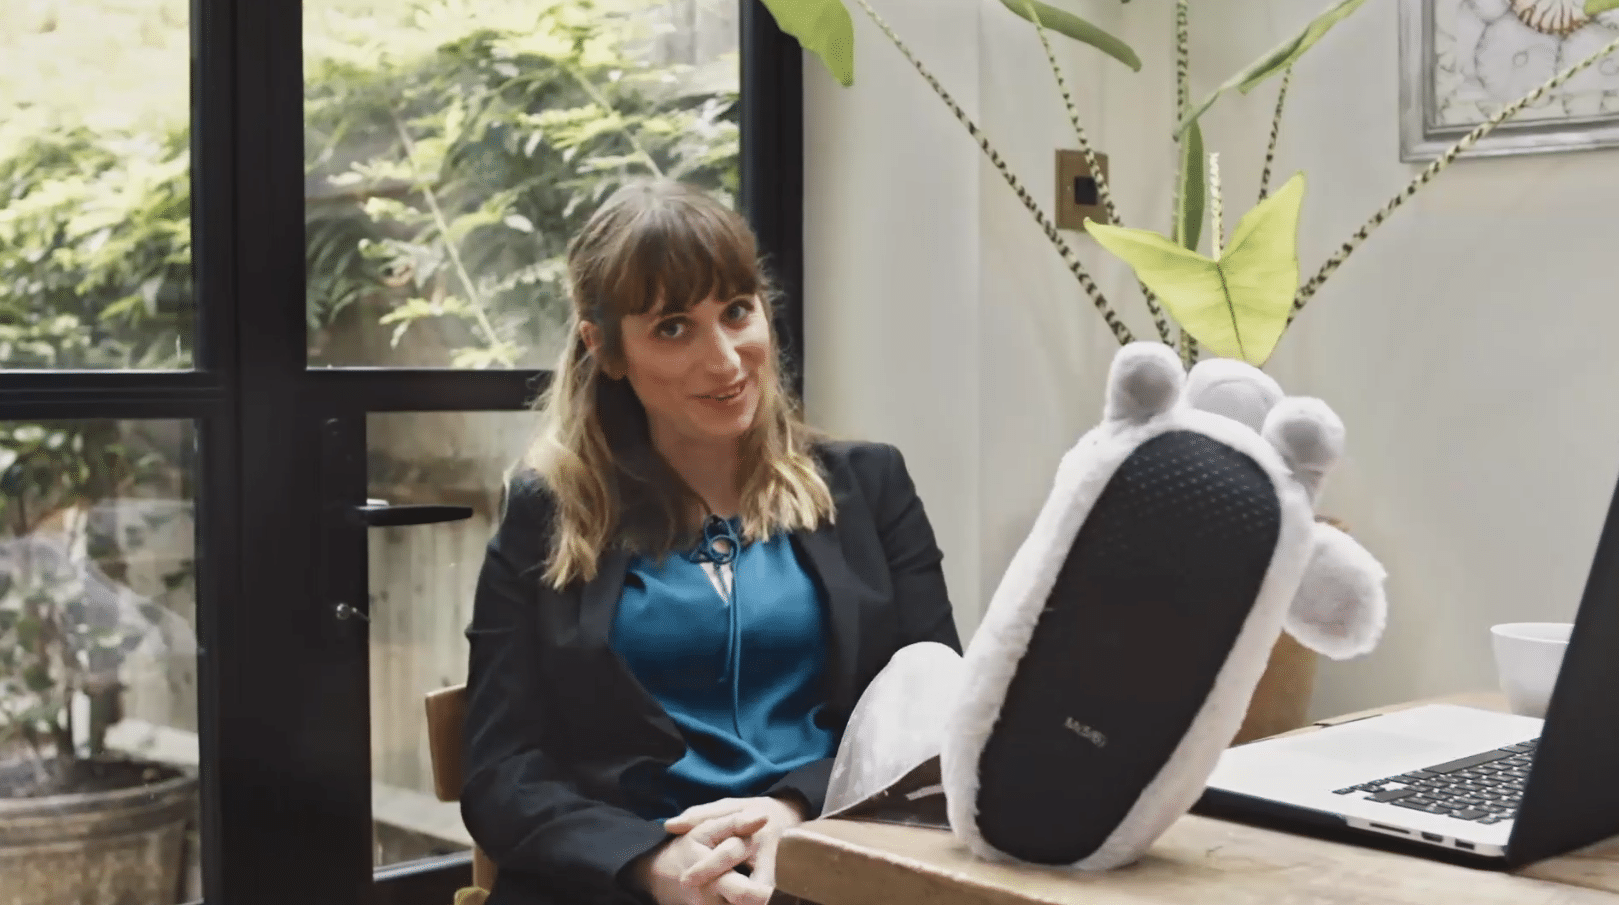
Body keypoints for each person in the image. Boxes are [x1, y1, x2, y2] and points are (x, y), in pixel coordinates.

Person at [460, 178, 961, 905]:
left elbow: (934, 718)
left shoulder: (870, 485)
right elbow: (500, 771)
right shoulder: (548, 513)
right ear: (606, 348)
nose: (725, 360)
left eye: (736, 311)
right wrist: (650, 863)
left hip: (822, 866)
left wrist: (793, 811)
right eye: (673, 328)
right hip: (622, 884)